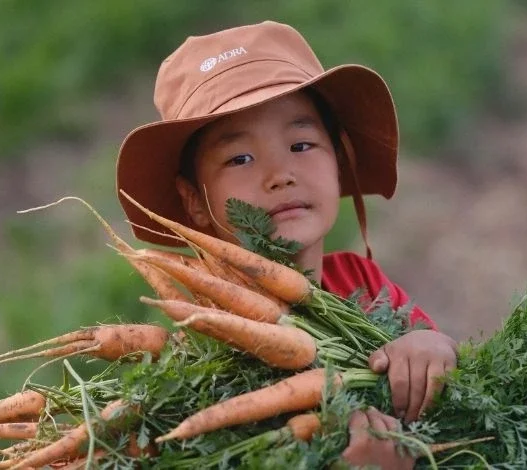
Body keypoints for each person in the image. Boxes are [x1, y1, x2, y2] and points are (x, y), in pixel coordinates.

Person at [114, 21, 458, 469]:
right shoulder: (203, 362)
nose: (280, 174)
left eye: (301, 144)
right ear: (194, 200)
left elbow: (453, 400)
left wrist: (432, 345)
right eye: (239, 158)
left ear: (339, 161)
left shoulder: (362, 281)